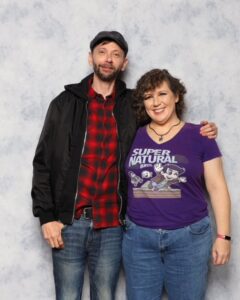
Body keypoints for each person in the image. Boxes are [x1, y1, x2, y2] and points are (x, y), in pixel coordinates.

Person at [31, 30, 217, 300]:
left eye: (116, 55)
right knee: (68, 295)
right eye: (102, 52)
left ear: (124, 64)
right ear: (90, 58)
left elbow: (165, 124)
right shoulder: (64, 104)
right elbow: (43, 163)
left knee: (105, 295)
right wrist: (46, 216)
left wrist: (205, 129)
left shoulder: (134, 106)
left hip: (113, 225)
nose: (109, 59)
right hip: (69, 222)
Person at [122, 69, 231, 300]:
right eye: (149, 96)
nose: (156, 102)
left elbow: (217, 188)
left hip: (189, 239)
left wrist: (224, 237)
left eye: (162, 94)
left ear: (177, 96)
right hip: (139, 240)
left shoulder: (200, 135)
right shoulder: (133, 133)